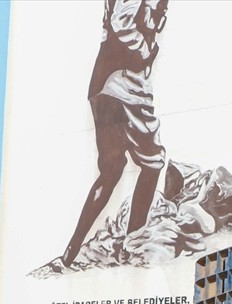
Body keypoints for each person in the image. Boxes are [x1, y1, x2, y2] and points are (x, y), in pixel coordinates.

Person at [58, 0, 174, 267]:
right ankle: (133, 243)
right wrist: (145, 50)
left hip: (103, 87)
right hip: (126, 84)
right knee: (153, 162)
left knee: (110, 171)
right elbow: (121, 22)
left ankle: (72, 249)